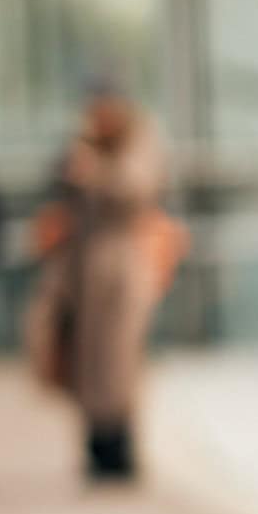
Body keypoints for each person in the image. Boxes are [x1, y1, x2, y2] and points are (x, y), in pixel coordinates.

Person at [26, 81, 171, 482]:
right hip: (83, 270)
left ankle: (121, 450)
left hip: (124, 267)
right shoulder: (82, 142)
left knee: (120, 360)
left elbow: (138, 188)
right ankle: (95, 449)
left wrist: (97, 171)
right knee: (87, 360)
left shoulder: (139, 140)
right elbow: (56, 189)